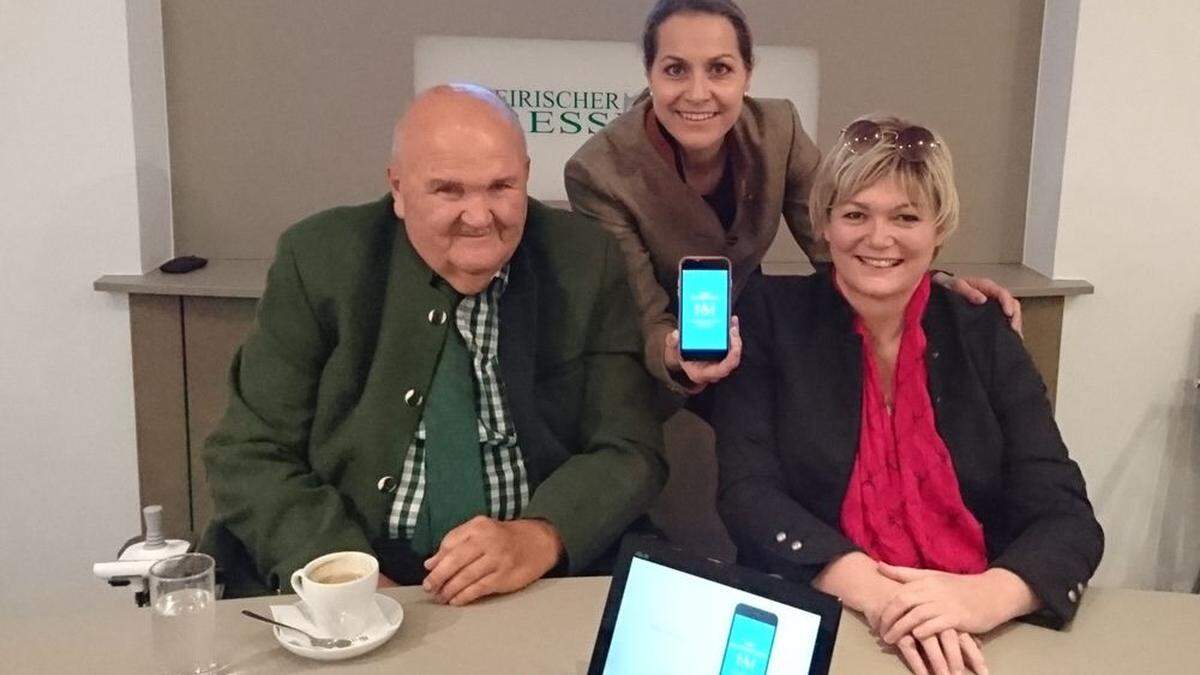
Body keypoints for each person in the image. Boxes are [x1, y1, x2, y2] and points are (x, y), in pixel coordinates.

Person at [201, 84, 666, 606]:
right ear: (397, 190)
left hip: (539, 572)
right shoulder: (319, 260)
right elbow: (249, 451)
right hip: (354, 566)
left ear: (527, 177)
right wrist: (345, 576)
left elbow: (628, 448)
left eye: (501, 187)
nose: (479, 216)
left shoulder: (584, 258)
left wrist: (542, 535)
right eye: (448, 190)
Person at [712, 116, 1103, 675]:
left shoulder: (982, 330)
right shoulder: (771, 315)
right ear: (824, 223)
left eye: (906, 217)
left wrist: (984, 597)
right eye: (855, 215)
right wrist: (883, 595)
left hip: (974, 629)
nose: (879, 238)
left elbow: (1065, 515)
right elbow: (748, 493)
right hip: (823, 612)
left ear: (939, 228)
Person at [565, 0, 1021, 399]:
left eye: (720, 68)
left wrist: (930, 282)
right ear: (650, 74)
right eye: (675, 69)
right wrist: (673, 353)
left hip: (752, 330)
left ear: (747, 74)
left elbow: (839, 238)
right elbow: (640, 311)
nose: (698, 92)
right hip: (651, 357)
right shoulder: (599, 171)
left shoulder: (777, 128)